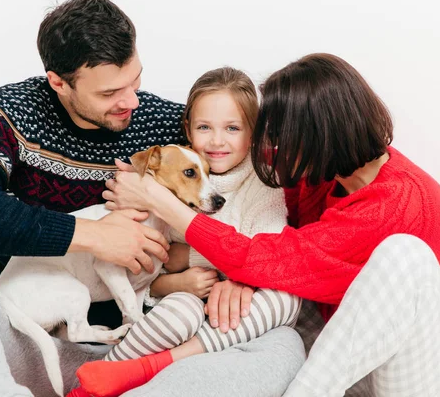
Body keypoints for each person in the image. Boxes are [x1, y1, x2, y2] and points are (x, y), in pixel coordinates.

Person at [0, 0, 304, 396]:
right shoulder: (11, 111)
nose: (132, 102)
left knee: (284, 345)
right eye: (110, 93)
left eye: (135, 81)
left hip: (148, 341)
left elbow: (248, 162)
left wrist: (247, 275)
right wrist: (95, 235)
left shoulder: (167, 124)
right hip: (32, 335)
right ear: (59, 82)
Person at [104, 53, 440, 397]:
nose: (270, 147)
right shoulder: (323, 178)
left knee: (404, 256)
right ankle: (143, 373)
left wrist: (158, 200)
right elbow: (265, 246)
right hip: (365, 364)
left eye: (279, 135)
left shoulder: (397, 201)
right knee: (278, 330)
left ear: (319, 135)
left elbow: (270, 255)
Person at [67, 67, 302, 397]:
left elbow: (268, 256)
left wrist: (223, 271)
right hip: (189, 302)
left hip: (242, 305)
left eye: (232, 128)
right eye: (205, 127)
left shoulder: (264, 183)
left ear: (253, 134)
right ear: (188, 129)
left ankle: (151, 367)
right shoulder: (175, 176)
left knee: (287, 298)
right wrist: (177, 281)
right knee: (181, 310)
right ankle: (102, 376)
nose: (217, 141)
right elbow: (149, 272)